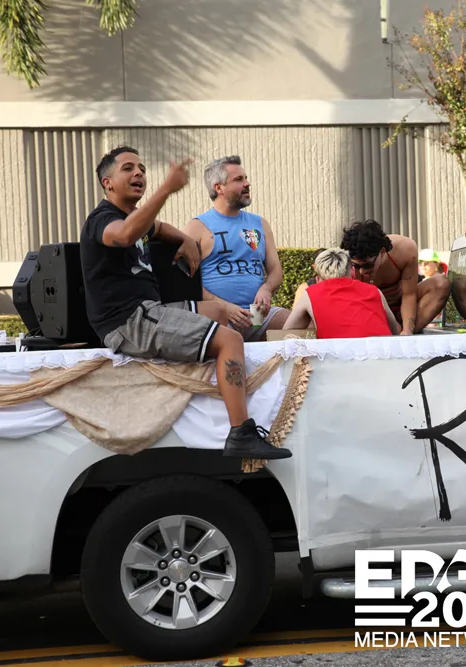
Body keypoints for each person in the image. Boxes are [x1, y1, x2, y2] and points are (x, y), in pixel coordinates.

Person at [79, 146, 290, 461]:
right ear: (107, 183)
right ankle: (240, 432)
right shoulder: (102, 219)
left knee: (219, 312)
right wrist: (166, 188)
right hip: (128, 322)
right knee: (230, 340)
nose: (138, 173)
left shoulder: (133, 219)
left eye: (142, 169)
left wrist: (185, 240)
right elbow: (123, 236)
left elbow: (157, 228)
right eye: (128, 168)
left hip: (149, 312)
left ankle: (221, 385)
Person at [183, 155, 288, 341]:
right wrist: (223, 307)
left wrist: (266, 288)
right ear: (219, 188)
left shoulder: (260, 224)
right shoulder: (197, 227)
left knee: (304, 325)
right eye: (239, 179)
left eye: (246, 178)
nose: (247, 183)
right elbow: (184, 281)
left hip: (257, 315)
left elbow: (275, 271)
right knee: (229, 342)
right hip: (219, 316)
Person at [340, 220, 450, 335]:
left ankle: (403, 334)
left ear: (382, 252)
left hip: (400, 306)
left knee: (441, 283)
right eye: (357, 266)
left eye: (368, 265)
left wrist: (408, 329)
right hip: (371, 312)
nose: (362, 271)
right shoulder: (345, 262)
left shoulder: (404, 250)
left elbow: (409, 294)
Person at [282, 248, 399, 338]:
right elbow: (393, 329)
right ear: (352, 271)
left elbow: (287, 333)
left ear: (318, 278)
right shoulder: (374, 291)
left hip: (337, 357)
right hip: (382, 355)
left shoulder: (310, 293)